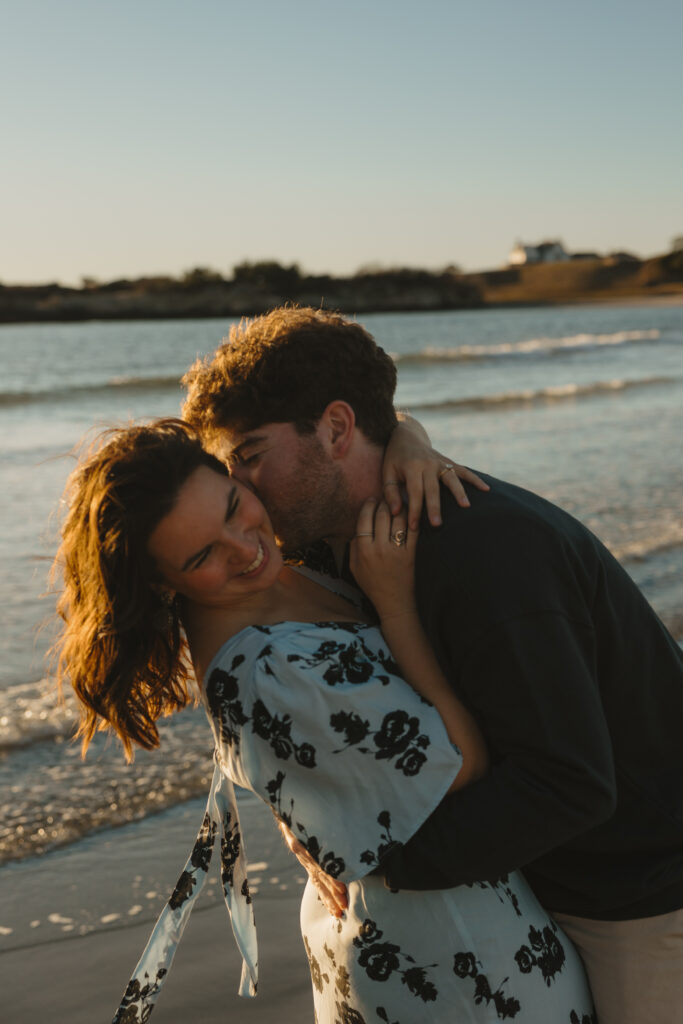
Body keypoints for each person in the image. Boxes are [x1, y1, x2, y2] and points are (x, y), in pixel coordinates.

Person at [181, 305, 683, 1024]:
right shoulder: (338, 541)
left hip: (640, 902)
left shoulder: (485, 554)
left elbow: (569, 785)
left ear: (335, 428)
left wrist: (377, 865)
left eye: (251, 455)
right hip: (555, 885)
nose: (245, 491)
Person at [52, 419, 595, 1023]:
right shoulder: (270, 674)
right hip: (456, 963)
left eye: (235, 507)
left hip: (458, 914)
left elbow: (340, 428)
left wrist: (408, 437)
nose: (245, 546)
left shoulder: (286, 568)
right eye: (204, 553)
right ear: (159, 580)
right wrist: (395, 605)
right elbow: (462, 763)